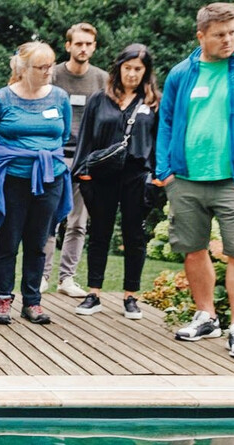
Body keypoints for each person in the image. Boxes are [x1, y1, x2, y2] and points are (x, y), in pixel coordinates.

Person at [156, 2, 234, 360]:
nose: (228, 40)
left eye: (232, 32)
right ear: (201, 36)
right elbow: (165, 123)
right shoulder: (181, 73)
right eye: (219, 35)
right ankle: (206, 315)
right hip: (186, 178)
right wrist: (165, 171)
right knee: (193, 249)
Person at [0, 42, 72, 326]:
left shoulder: (59, 97)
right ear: (23, 68)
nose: (48, 71)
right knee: (8, 240)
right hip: (12, 180)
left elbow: (62, 134)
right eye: (41, 67)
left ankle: (32, 301)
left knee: (38, 242)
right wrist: (16, 154)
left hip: (49, 178)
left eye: (50, 65)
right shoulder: (2, 99)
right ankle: (3, 299)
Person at [72, 44, 160, 320]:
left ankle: (130, 296)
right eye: (127, 68)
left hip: (137, 173)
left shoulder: (153, 102)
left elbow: (160, 142)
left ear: (146, 72)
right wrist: (83, 171)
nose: (132, 74)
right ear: (118, 68)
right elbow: (85, 137)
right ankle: (94, 292)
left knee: (135, 236)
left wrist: (157, 177)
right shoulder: (100, 99)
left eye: (138, 69)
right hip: (103, 174)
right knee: (99, 233)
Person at [41, 23, 108, 298]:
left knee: (78, 222)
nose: (83, 49)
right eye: (78, 44)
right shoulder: (53, 75)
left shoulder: (102, 79)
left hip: (86, 159)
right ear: (68, 46)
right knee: (49, 219)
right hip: (55, 155)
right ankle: (42, 275)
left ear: (94, 47)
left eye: (88, 44)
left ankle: (67, 278)